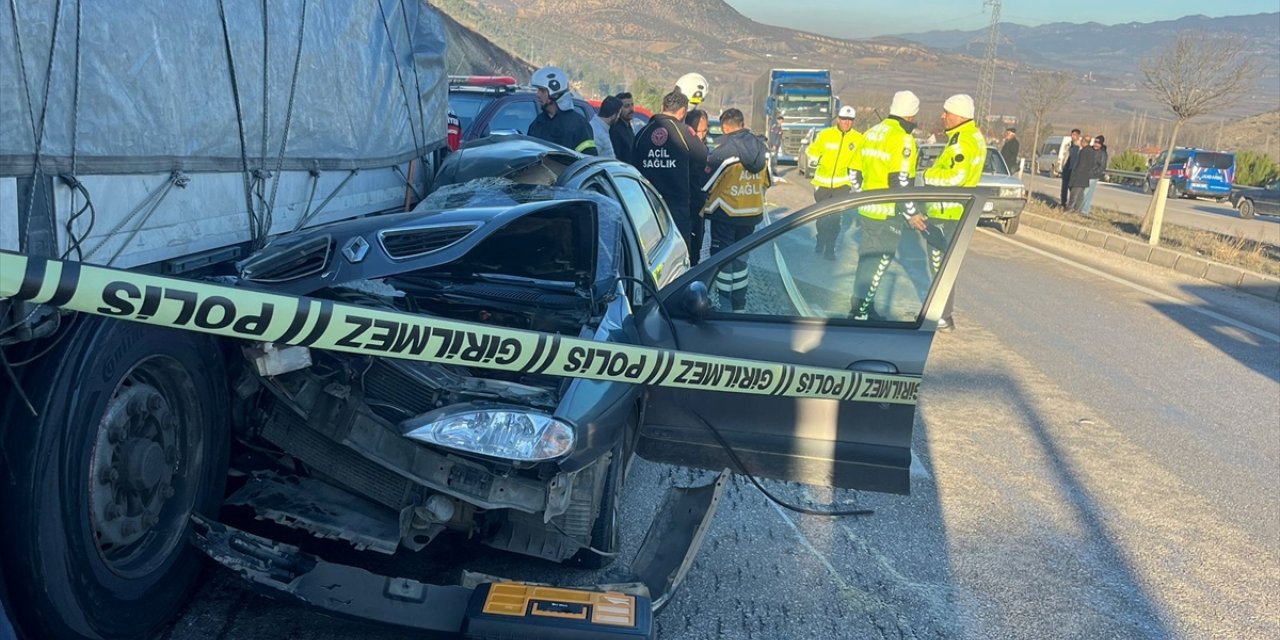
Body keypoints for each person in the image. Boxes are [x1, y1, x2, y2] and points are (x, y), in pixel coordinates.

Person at [911, 93, 986, 332]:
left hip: (948, 213)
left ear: (959, 115)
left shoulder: (963, 142)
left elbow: (957, 176)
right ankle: (940, 313)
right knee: (943, 264)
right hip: (951, 211)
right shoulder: (969, 137)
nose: (943, 116)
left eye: (947, 112)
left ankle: (942, 315)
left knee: (940, 265)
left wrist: (928, 175)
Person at [848, 90, 919, 321]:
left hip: (867, 211)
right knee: (879, 263)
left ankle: (860, 306)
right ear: (910, 117)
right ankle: (862, 312)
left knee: (866, 261)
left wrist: (862, 197)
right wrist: (911, 213)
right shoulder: (902, 138)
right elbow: (900, 181)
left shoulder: (871, 133)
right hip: (887, 213)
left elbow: (853, 171)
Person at [700, 108, 770, 310]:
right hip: (751, 214)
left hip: (726, 214)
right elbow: (767, 182)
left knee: (722, 261)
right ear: (742, 123)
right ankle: (740, 303)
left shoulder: (724, 151)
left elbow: (705, 184)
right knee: (741, 261)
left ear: (724, 126)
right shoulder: (762, 150)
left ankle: (724, 304)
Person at [633, 89, 707, 255]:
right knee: (679, 252)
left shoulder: (642, 133)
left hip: (647, 205)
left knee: (651, 252)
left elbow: (633, 165)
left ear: (662, 106)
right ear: (683, 111)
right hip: (677, 205)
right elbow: (702, 158)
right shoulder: (685, 133)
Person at [805, 104, 863, 260]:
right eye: (844, 119)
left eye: (850, 120)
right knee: (822, 217)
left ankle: (830, 249)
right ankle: (821, 238)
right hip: (822, 183)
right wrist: (816, 158)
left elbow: (861, 160)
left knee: (836, 218)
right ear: (838, 119)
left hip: (842, 185)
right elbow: (812, 150)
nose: (847, 123)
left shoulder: (858, 139)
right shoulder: (825, 134)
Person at [527, 66, 597, 155]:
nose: (538, 94)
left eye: (542, 90)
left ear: (555, 93)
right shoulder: (537, 123)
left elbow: (588, 159)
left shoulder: (579, 125)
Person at [685, 108, 711, 263]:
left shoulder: (705, 149)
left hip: (699, 207)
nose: (701, 136)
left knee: (696, 248)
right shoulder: (680, 148)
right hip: (684, 206)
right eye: (697, 131)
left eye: (705, 131)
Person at [1067, 135, 1100, 212]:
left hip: (1079, 177)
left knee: (1074, 194)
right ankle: (1077, 210)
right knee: (1080, 195)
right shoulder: (1092, 151)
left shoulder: (1084, 151)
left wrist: (1075, 174)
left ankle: (1070, 209)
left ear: (1084, 142)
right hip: (1085, 177)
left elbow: (1080, 164)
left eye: (1082, 141)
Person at [1080, 135, 1108, 215]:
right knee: (1086, 193)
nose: (1096, 144)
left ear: (1101, 144)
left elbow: (1102, 166)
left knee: (1086, 193)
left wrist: (1094, 173)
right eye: (1095, 142)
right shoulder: (1090, 150)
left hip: (1093, 176)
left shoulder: (1103, 154)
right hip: (1086, 174)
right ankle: (1084, 210)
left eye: (1098, 143)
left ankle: (1083, 209)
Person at [610, 92, 637, 162]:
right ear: (618, 110)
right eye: (627, 106)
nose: (631, 109)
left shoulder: (629, 127)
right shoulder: (615, 130)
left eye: (632, 105)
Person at [1059, 128, 1082, 207]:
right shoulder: (1069, 145)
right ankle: (1063, 203)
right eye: (1072, 134)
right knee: (1064, 187)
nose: (1072, 136)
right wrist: (1063, 165)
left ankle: (1072, 205)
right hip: (1066, 168)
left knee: (1071, 188)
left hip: (1073, 169)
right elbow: (1065, 156)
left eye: (1074, 135)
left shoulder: (1079, 147)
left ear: (1078, 136)